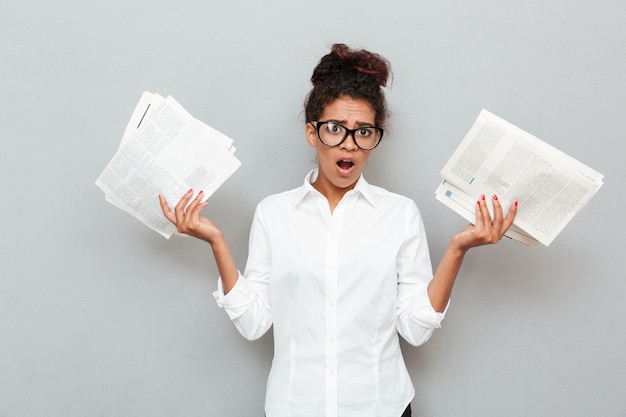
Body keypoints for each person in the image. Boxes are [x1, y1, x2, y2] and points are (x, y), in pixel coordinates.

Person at [159, 43, 517, 417]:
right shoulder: (273, 213)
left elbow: (415, 329)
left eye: (364, 132)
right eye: (335, 129)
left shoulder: (399, 214)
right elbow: (254, 324)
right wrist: (216, 242)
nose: (349, 143)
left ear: (374, 140)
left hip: (381, 407)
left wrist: (458, 248)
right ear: (312, 134)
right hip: (295, 407)